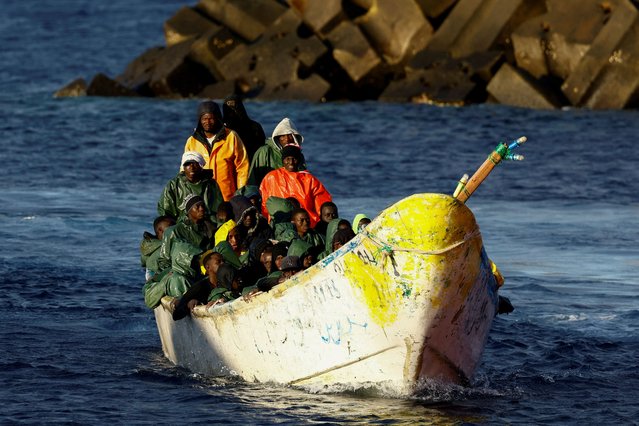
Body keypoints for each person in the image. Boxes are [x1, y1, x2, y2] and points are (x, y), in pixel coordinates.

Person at [183, 100, 249, 201]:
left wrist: (240, 193)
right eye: (204, 118)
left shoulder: (231, 137)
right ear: (199, 120)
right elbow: (184, 171)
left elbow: (242, 167)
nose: (208, 122)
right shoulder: (192, 141)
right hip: (201, 198)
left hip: (227, 197)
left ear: (218, 118)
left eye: (211, 118)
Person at [259, 145, 332, 228]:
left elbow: (323, 203)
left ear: (299, 160)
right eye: (287, 159)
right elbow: (264, 204)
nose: (291, 162)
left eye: (294, 159)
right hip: (279, 224)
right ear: (283, 161)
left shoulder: (309, 179)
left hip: (305, 225)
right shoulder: (271, 177)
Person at [157, 151, 224, 222]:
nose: (191, 167)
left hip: (207, 225)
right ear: (184, 167)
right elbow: (165, 211)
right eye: (187, 164)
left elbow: (218, 209)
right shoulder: (173, 185)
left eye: (195, 164)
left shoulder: (210, 184)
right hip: (183, 226)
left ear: (201, 167)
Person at [171, 251, 232, 320]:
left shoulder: (230, 281)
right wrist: (189, 304)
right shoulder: (200, 286)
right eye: (218, 262)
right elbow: (176, 315)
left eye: (223, 261)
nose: (223, 264)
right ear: (208, 267)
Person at [247, 117, 307, 186]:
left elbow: (303, 178)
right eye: (282, 136)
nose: (286, 139)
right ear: (277, 138)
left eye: (290, 135)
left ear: (295, 138)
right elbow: (253, 179)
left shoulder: (298, 155)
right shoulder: (265, 151)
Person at [222, 94, 266, 162]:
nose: (233, 110)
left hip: (250, 164)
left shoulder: (255, 127)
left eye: (235, 106)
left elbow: (262, 152)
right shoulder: (220, 129)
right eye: (229, 106)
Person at [140, 215, 176, 281]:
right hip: (157, 277)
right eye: (170, 226)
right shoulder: (164, 247)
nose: (174, 228)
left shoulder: (149, 244)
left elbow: (143, 263)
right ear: (160, 230)